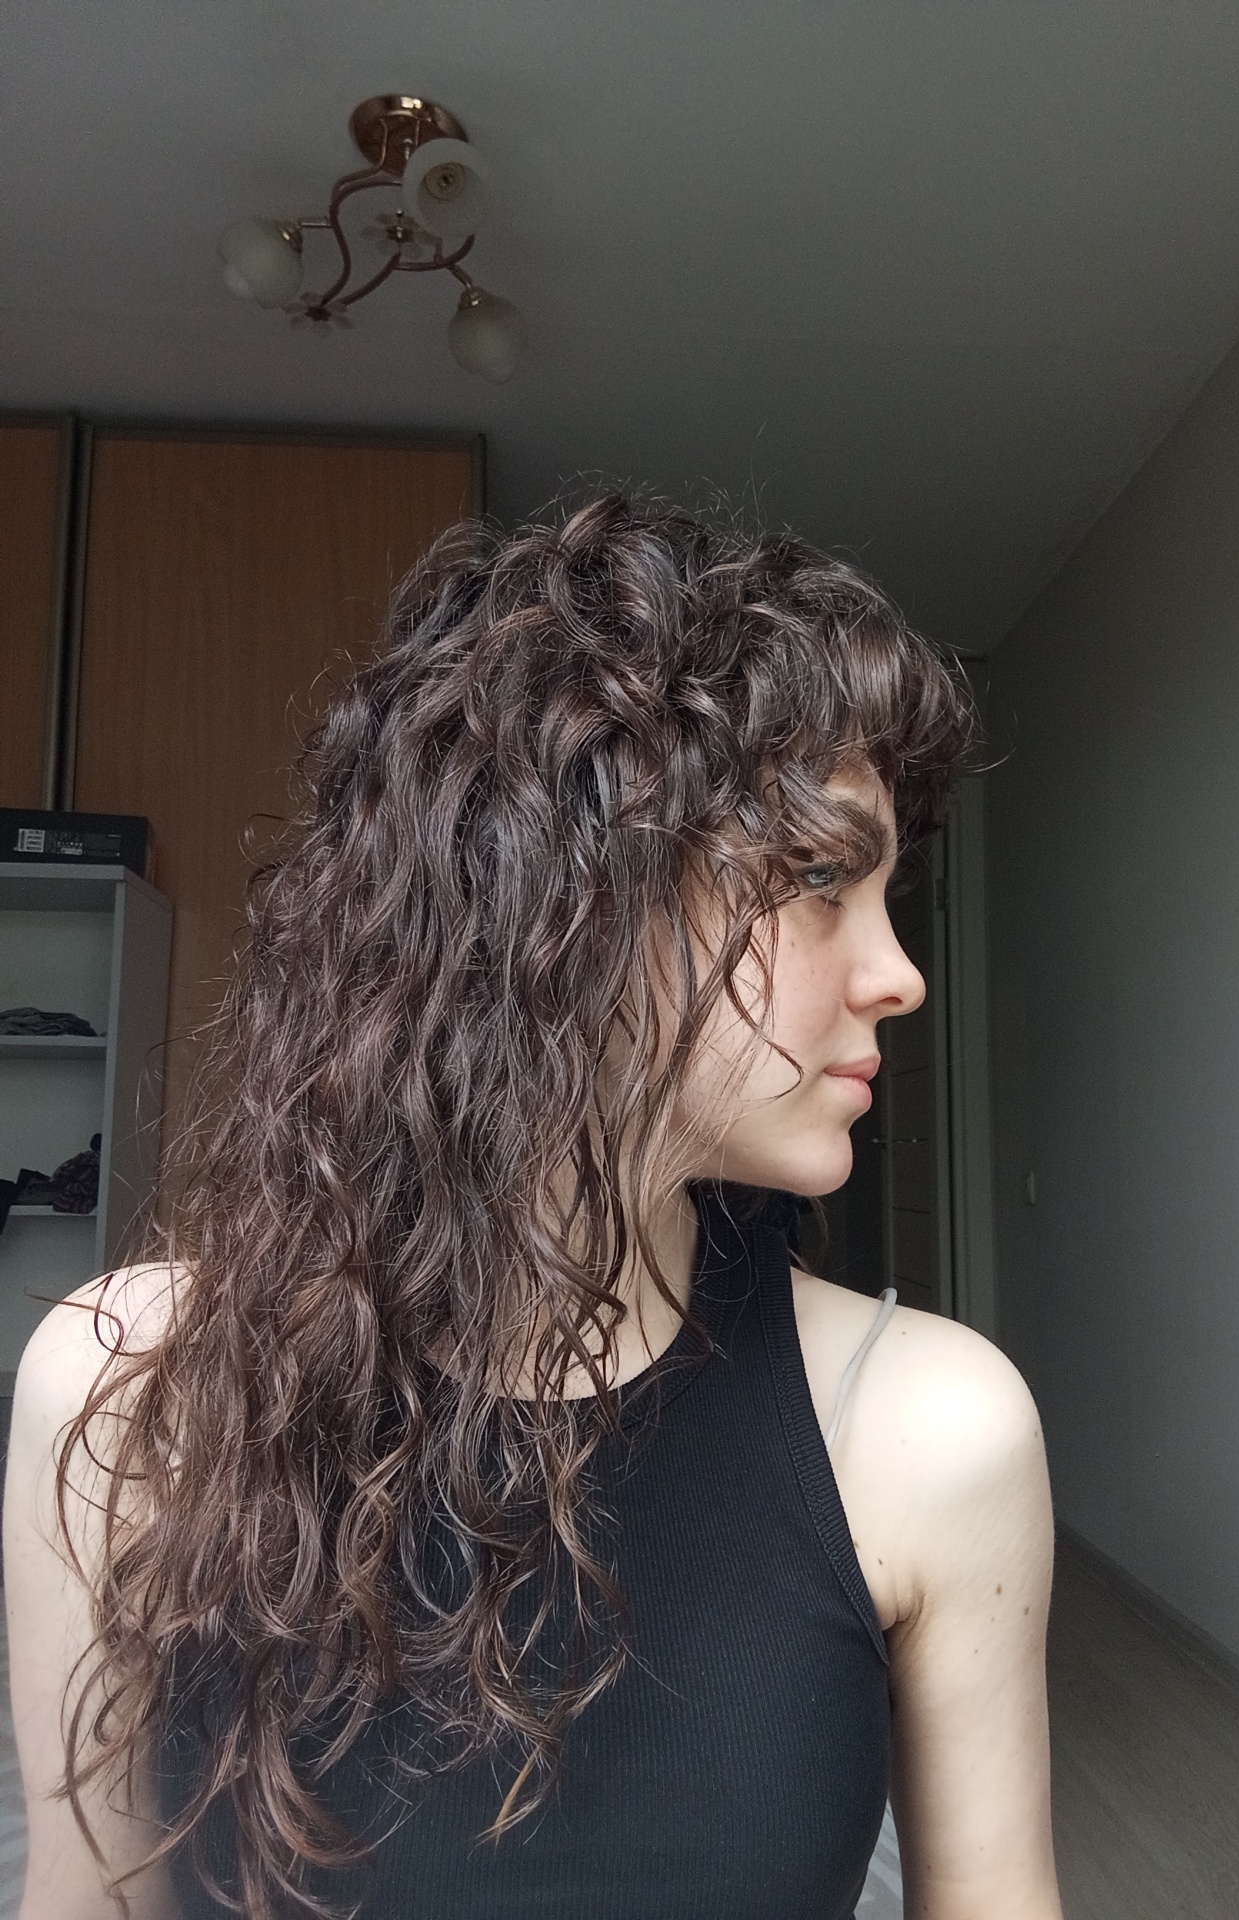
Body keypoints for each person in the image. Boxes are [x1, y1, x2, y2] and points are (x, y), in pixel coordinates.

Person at [5, 493, 1063, 1920]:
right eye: (822, 877)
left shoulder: (930, 1435)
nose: (901, 975)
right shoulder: (130, 1389)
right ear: (562, 891)